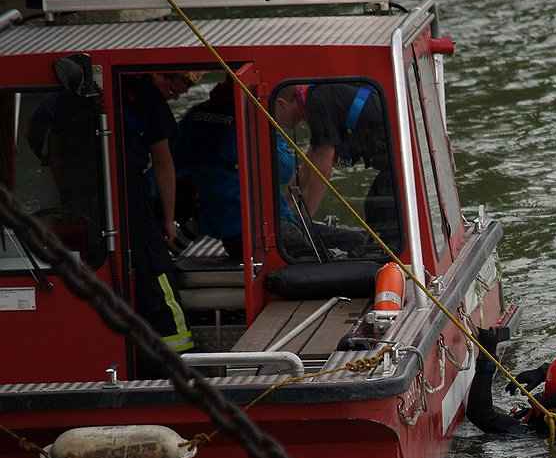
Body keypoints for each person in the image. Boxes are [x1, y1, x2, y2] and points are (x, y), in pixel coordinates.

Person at [175, 80, 367, 262]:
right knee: (323, 257)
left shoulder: (195, 115)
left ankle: (359, 240)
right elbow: (283, 170)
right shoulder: (252, 119)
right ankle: (363, 247)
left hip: (229, 229)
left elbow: (177, 162)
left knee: (338, 236)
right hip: (259, 227)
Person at [120, 71, 195, 358]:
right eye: (174, 85)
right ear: (156, 75)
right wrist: (168, 219)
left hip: (84, 193)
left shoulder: (69, 97)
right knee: (156, 269)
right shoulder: (149, 98)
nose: (177, 92)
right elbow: (163, 164)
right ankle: (179, 352)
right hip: (129, 189)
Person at [273, 82, 400, 249]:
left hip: (399, 159)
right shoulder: (320, 98)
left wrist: (304, 225)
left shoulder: (317, 104)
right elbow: (306, 171)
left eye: (273, 114)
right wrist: (283, 213)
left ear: (282, 105)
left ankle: (390, 260)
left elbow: (322, 172)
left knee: (378, 209)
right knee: (375, 207)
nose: (275, 121)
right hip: (391, 160)